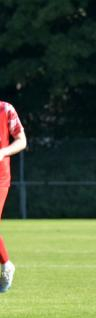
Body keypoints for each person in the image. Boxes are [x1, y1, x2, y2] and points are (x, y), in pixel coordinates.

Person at [0, 101, 27, 293]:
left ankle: (6, 264)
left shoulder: (5, 109)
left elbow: (21, 141)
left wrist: (3, 152)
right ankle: (6, 263)